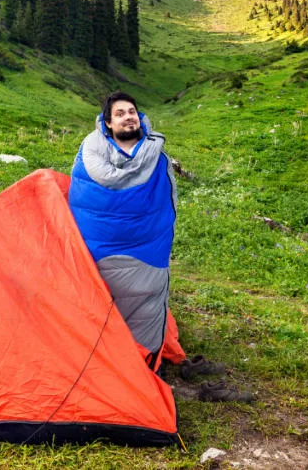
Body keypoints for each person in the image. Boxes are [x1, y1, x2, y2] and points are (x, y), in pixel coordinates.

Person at [68, 92, 252, 402]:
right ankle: (122, 370)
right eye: (121, 113)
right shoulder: (91, 153)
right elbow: (83, 198)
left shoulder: (153, 152)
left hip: (147, 250)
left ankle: (146, 365)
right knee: (105, 308)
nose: (129, 116)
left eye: (133, 112)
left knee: (146, 303)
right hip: (99, 253)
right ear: (108, 123)